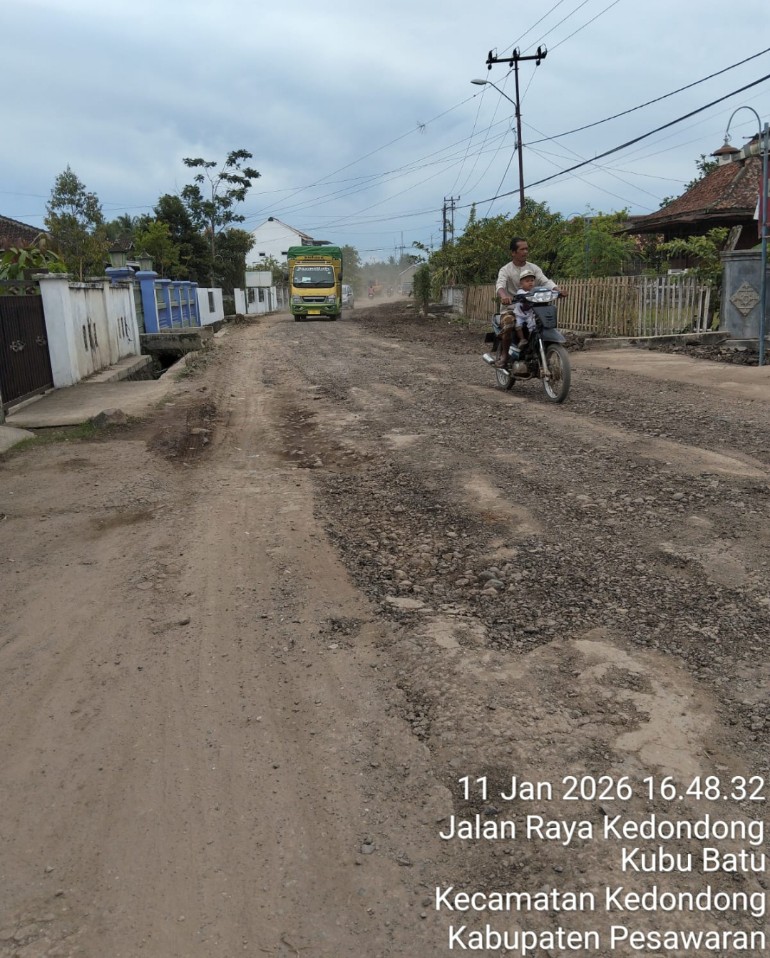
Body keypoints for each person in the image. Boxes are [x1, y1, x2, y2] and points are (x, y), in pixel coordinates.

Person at [494, 237, 563, 368]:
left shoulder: (533, 268)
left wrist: (558, 290)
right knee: (508, 323)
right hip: (512, 308)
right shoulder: (506, 270)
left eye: (526, 249)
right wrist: (504, 296)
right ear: (513, 252)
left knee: (543, 323)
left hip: (533, 307)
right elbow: (500, 285)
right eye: (522, 249)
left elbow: (545, 281)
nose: (525, 251)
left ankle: (539, 350)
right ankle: (504, 355)